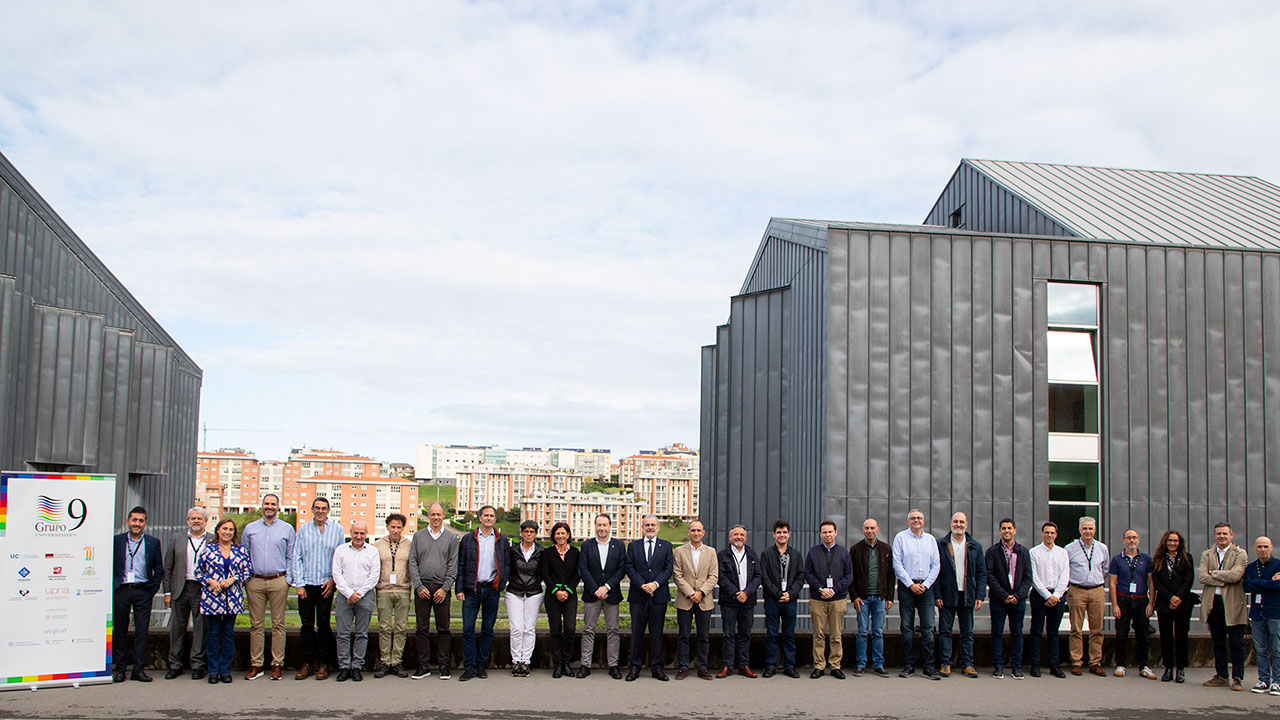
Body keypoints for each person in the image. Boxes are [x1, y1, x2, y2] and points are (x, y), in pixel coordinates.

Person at [241, 493, 295, 681]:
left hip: (278, 580)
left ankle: (277, 663)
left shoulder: (287, 529)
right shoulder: (250, 529)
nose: (269, 506)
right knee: (256, 624)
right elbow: (244, 554)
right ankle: (256, 664)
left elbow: (291, 555)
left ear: (278, 507)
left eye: (273, 504)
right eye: (266, 503)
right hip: (255, 581)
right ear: (262, 506)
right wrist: (247, 578)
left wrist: (288, 579)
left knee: (278, 624)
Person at [291, 496, 344, 681]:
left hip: (325, 585)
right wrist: (299, 583)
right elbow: (296, 556)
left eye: (324, 508)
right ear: (312, 510)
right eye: (317, 508)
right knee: (306, 625)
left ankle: (323, 664)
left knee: (323, 624)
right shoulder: (303, 530)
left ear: (329, 510)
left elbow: (339, 557)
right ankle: (307, 663)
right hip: (306, 585)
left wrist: (333, 581)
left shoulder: (337, 530)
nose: (320, 511)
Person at [194, 518, 252, 684]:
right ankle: (213, 670)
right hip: (213, 597)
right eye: (225, 529)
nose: (227, 532)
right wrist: (210, 582)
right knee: (212, 634)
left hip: (232, 598)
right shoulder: (208, 550)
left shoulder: (240, 550)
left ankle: (225, 670)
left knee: (227, 635)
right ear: (218, 530)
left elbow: (247, 571)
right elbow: (198, 572)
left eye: (231, 530)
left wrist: (233, 579)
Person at [455, 505, 509, 681]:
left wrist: (500, 584)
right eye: (485, 515)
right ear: (480, 518)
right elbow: (461, 565)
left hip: (491, 589)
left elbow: (506, 565)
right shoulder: (468, 539)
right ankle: (469, 666)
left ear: (495, 519)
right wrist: (459, 588)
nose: (488, 518)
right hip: (472, 589)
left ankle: (481, 665)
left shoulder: (501, 540)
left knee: (487, 629)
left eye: (491, 515)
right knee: (468, 629)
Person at [112, 506, 164, 682]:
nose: (137, 524)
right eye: (134, 520)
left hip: (143, 590)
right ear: (128, 522)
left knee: (142, 631)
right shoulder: (117, 541)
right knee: (120, 631)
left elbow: (158, 569)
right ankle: (119, 669)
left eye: (141, 521)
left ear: (145, 524)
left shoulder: (153, 542)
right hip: (121, 590)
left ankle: (138, 670)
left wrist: (152, 590)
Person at [163, 506, 213, 680]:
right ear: (188, 521)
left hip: (202, 589)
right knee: (177, 627)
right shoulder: (177, 539)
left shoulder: (213, 540)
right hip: (180, 588)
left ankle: (197, 665)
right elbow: (168, 567)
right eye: (193, 518)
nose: (196, 521)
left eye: (200, 518)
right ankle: (175, 664)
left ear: (206, 521)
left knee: (201, 628)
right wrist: (167, 592)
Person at [409, 502, 457, 679]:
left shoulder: (451, 539)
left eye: (439, 514)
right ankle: (423, 665)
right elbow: (412, 562)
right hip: (423, 588)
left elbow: (453, 565)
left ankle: (444, 665)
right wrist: (418, 586)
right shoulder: (418, 536)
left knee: (443, 628)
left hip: (441, 589)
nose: (436, 517)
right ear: (428, 516)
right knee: (421, 628)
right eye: (432, 514)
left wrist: (445, 588)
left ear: (444, 516)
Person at [934, 512, 984, 678]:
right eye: (955, 521)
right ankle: (945, 663)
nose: (958, 524)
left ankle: (967, 664)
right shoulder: (941, 544)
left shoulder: (975, 546)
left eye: (962, 522)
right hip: (947, 594)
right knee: (945, 631)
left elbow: (981, 573)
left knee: (967, 632)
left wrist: (980, 595)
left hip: (967, 594)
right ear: (951, 524)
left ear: (966, 524)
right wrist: (937, 594)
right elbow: (936, 571)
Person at [893, 509, 941, 680]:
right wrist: (911, 584)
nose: (916, 520)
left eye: (919, 518)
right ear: (908, 521)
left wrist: (926, 585)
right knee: (906, 627)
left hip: (926, 589)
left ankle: (929, 666)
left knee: (928, 628)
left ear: (924, 521)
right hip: (907, 587)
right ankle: (909, 665)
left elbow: (936, 564)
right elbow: (897, 563)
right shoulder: (900, 538)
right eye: (913, 518)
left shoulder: (930, 540)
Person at [1199, 522, 1248, 690]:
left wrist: (1214, 573)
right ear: (1214, 535)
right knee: (1218, 641)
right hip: (1214, 602)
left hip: (1232, 602)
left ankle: (1237, 678)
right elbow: (1201, 577)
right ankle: (1221, 675)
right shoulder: (1207, 554)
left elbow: (1236, 575)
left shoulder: (1240, 553)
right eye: (1219, 534)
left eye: (1225, 534)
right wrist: (1223, 577)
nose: (1222, 536)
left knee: (1236, 642)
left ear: (1231, 535)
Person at [625, 514, 673, 681]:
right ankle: (634, 668)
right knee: (636, 633)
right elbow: (629, 567)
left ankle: (657, 668)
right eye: (647, 525)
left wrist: (655, 584)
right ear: (642, 527)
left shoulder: (666, 546)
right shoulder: (633, 546)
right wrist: (642, 585)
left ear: (658, 527)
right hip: (638, 596)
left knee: (657, 633)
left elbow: (668, 569)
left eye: (653, 524)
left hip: (658, 596)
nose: (650, 527)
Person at [578, 513, 626, 679]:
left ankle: (613, 665)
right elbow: (583, 569)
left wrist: (606, 587)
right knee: (588, 630)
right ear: (595, 526)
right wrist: (595, 589)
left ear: (610, 526)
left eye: (605, 525)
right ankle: (585, 664)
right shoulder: (586, 546)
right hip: (592, 595)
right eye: (599, 525)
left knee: (613, 630)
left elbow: (621, 569)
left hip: (611, 594)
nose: (602, 528)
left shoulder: (619, 546)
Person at [805, 519, 854, 679]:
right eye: (824, 532)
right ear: (820, 534)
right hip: (818, 598)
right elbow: (808, 574)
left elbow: (849, 576)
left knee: (836, 634)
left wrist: (834, 590)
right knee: (818, 634)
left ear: (835, 533)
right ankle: (819, 665)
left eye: (830, 532)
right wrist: (821, 589)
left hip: (837, 598)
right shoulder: (813, 552)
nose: (827, 535)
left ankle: (835, 665)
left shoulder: (843, 552)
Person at [332, 520, 380, 682]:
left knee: (361, 634)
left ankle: (357, 666)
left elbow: (374, 576)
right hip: (344, 597)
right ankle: (344, 666)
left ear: (366, 534)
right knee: (343, 634)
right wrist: (348, 593)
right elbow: (337, 574)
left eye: (362, 533)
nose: (358, 536)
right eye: (356, 533)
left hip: (364, 597)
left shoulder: (372, 551)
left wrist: (359, 593)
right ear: (350, 533)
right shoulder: (341, 550)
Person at [1107, 528, 1156, 680]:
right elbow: (1113, 583)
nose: (1132, 540)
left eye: (1134, 537)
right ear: (1123, 540)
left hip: (1141, 599)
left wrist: (1151, 604)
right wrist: (1114, 605)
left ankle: (1144, 666)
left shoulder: (1146, 559)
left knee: (1143, 634)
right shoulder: (1117, 559)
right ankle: (1121, 664)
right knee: (1121, 633)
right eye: (1128, 538)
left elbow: (1151, 582)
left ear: (1138, 540)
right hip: (1123, 599)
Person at [986, 518, 1032, 679]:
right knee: (997, 632)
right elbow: (989, 576)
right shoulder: (992, 551)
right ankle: (998, 666)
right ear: (1000, 531)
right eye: (1004, 528)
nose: (1007, 531)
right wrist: (1004, 595)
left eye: (1009, 528)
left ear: (1015, 530)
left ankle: (1016, 667)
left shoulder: (1023, 551)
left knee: (1017, 633)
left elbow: (1028, 577)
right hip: (999, 599)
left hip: (1018, 599)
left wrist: (1017, 596)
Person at [672, 519, 718, 680]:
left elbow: (714, 576)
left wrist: (701, 593)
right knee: (683, 635)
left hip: (704, 600)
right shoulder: (679, 551)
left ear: (703, 532)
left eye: (699, 530)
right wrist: (691, 593)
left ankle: (703, 667)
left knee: (703, 636)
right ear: (688, 532)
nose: (696, 533)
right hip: (685, 599)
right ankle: (683, 667)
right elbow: (677, 575)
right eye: (693, 530)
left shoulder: (711, 552)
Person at [1064, 516, 1109, 676]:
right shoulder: (1070, 548)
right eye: (1085, 528)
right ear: (1079, 530)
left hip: (1097, 589)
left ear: (1094, 530)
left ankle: (1095, 662)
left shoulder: (1102, 548)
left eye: (1090, 528)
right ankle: (1076, 661)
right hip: (1077, 589)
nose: (1088, 531)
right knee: (1076, 628)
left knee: (1097, 629)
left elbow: (1105, 569)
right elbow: (1065, 569)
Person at [850, 518, 894, 678]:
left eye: (872, 528)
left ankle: (878, 664)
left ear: (878, 529)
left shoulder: (886, 549)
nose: (870, 531)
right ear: (863, 530)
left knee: (878, 631)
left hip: (880, 598)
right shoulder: (855, 549)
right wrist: (854, 596)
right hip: (862, 598)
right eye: (867, 528)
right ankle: (861, 664)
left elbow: (890, 575)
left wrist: (890, 597)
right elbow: (851, 576)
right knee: (862, 632)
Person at [717, 525, 761, 678]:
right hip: (729, 601)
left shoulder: (751, 554)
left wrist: (746, 593)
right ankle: (727, 665)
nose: (739, 537)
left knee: (745, 634)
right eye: (736, 534)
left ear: (746, 537)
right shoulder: (722, 555)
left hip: (747, 601)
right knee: (728, 634)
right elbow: (721, 578)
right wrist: (736, 593)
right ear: (730, 537)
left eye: (742, 534)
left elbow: (758, 576)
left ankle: (743, 665)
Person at [761, 519, 804, 678]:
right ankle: (771, 666)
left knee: (789, 634)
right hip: (773, 600)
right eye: (779, 532)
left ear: (789, 534)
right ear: (774, 534)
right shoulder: (766, 554)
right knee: (771, 633)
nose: (782, 535)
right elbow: (764, 577)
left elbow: (800, 577)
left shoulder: (796, 554)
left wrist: (790, 594)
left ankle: (789, 666)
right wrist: (778, 594)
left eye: (785, 532)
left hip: (790, 600)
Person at [1151, 529, 1195, 683]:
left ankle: (1181, 668)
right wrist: (1169, 597)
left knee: (1181, 636)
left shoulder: (1187, 558)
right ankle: (1168, 667)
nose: (1172, 543)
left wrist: (1177, 597)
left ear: (1179, 543)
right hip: (1164, 603)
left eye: (1175, 541)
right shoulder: (1158, 559)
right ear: (1165, 542)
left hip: (1182, 603)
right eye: (1170, 541)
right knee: (1166, 637)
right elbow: (1156, 582)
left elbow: (1188, 580)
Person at [1028, 521, 1070, 678]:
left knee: (1053, 632)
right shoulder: (1034, 552)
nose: (1049, 535)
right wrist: (1047, 595)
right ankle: (1035, 665)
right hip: (1040, 595)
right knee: (1036, 631)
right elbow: (1034, 577)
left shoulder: (1062, 553)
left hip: (1058, 596)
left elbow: (1065, 575)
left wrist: (1056, 596)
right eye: (1047, 532)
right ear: (1042, 533)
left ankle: (1054, 665)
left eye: (1052, 533)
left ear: (1056, 534)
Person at [374, 513, 413, 678]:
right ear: (387, 527)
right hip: (384, 590)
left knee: (400, 627)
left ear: (403, 528)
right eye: (393, 527)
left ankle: (396, 661)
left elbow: (413, 566)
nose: (395, 530)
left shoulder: (409, 545)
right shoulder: (378, 545)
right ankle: (385, 661)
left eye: (399, 527)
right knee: (384, 627)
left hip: (403, 590)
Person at [541, 521, 580, 678]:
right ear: (553, 536)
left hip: (570, 595)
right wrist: (556, 590)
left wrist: (568, 590)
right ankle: (557, 663)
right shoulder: (548, 553)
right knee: (555, 629)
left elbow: (578, 573)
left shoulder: (576, 552)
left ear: (568, 535)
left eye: (563, 533)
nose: (560, 536)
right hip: (552, 595)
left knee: (570, 628)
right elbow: (545, 573)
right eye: (557, 533)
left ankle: (566, 662)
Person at [506, 520, 545, 677]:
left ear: (536, 534)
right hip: (514, 591)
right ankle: (516, 660)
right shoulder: (513, 550)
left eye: (532, 531)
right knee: (516, 628)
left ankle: (526, 661)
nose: (529, 534)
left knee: (529, 628)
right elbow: (507, 569)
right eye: (526, 531)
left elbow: (543, 572)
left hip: (534, 592)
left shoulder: (541, 551)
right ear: (521, 533)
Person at [1242, 536, 1280, 694]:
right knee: (1260, 648)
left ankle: (1277, 681)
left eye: (1265, 546)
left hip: (1275, 612)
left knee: (1277, 648)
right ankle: (1263, 679)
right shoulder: (1251, 567)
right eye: (1259, 547)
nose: (1263, 549)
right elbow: (1247, 586)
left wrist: (1258, 582)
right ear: (1255, 548)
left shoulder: (1278, 565)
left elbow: (1278, 586)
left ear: (1271, 547)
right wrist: (1268, 583)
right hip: (1257, 613)